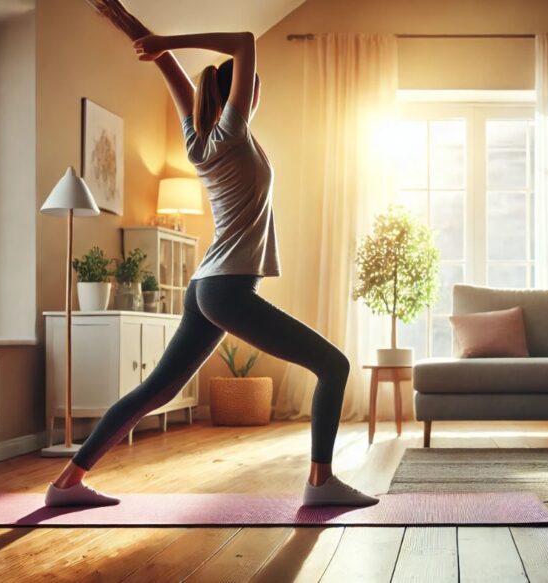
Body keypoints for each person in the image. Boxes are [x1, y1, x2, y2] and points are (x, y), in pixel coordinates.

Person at [45, 0, 377, 508]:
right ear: (236, 96)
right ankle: (320, 482)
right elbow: (246, 40)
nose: (257, 91)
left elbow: (171, 72)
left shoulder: (198, 138)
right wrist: (169, 45)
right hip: (226, 288)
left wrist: (149, 40)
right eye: (252, 87)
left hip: (208, 286)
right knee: (333, 366)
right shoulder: (230, 132)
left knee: (154, 391)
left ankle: (65, 483)